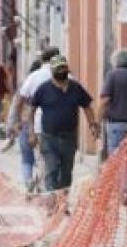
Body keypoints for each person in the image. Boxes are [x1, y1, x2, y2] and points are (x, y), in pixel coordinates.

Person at [29, 55, 100, 192]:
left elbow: (87, 106)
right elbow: (31, 111)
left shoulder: (76, 88)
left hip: (69, 138)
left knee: (66, 172)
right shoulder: (43, 89)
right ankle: (53, 203)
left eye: (63, 67)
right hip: (49, 138)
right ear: (53, 71)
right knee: (52, 170)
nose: (61, 70)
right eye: (58, 68)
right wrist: (32, 133)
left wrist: (92, 125)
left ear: (67, 69)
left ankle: (63, 202)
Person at [7, 47, 62, 190]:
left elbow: (17, 103)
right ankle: (41, 184)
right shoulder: (64, 76)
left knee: (29, 159)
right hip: (56, 125)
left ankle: (30, 183)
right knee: (48, 160)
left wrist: (14, 123)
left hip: (30, 125)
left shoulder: (32, 79)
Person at [98, 48, 127, 156]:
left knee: (116, 158)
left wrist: (97, 122)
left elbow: (104, 100)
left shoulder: (112, 75)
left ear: (116, 62)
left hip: (116, 125)